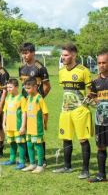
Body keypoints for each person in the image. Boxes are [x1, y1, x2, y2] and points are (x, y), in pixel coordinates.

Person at [53, 44, 92, 179]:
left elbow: (90, 91)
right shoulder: (61, 72)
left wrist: (86, 103)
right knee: (66, 138)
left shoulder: (83, 71)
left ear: (74, 55)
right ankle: (67, 166)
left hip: (80, 110)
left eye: (66, 55)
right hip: (65, 110)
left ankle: (86, 170)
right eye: (62, 55)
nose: (63, 58)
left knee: (83, 139)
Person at [19, 42, 51, 165]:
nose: (24, 55)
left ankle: (42, 159)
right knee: (25, 128)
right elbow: (23, 87)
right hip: (25, 104)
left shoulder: (40, 67)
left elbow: (47, 86)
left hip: (36, 105)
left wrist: (39, 100)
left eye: (26, 53)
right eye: (23, 53)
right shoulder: (21, 68)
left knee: (38, 131)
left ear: (33, 53)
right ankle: (28, 156)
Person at [21, 77, 49, 174]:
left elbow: (45, 113)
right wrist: (23, 126)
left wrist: (45, 124)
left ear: (35, 87)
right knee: (29, 145)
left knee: (38, 145)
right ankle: (32, 164)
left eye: (28, 88)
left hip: (37, 128)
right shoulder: (28, 98)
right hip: (29, 127)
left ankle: (40, 165)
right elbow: (25, 111)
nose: (26, 90)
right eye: (26, 88)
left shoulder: (39, 98)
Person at [88, 49, 108, 183]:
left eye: (104, 62)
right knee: (101, 146)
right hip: (100, 120)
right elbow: (93, 99)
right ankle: (101, 175)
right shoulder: (95, 82)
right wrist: (91, 99)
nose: (101, 65)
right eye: (99, 62)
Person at [1, 78, 27, 170]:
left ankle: (22, 162)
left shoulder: (21, 98)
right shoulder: (8, 98)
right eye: (7, 87)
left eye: (10, 87)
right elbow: (5, 111)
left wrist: (23, 126)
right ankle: (12, 159)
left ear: (16, 87)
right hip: (9, 126)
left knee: (20, 143)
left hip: (18, 126)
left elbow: (24, 113)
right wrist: (3, 124)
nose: (8, 89)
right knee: (11, 143)